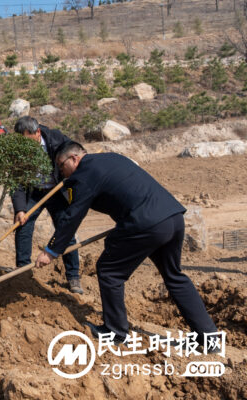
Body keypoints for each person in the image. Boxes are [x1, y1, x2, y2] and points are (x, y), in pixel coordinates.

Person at [35, 142, 218, 344]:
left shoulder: (84, 174)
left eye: (61, 166)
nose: (62, 173)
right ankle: (209, 338)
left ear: (74, 159)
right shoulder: (112, 158)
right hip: (172, 217)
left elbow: (73, 216)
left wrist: (51, 250)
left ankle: (115, 332)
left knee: (109, 270)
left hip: (146, 223)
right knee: (174, 275)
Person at [11, 116, 83, 294]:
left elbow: (78, 158)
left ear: (37, 133)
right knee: (22, 226)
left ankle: (73, 276)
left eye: (28, 141)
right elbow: (17, 181)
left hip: (56, 191)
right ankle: (23, 272)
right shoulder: (17, 150)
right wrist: (20, 209)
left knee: (65, 229)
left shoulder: (57, 140)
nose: (25, 146)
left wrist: (69, 180)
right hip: (33, 192)